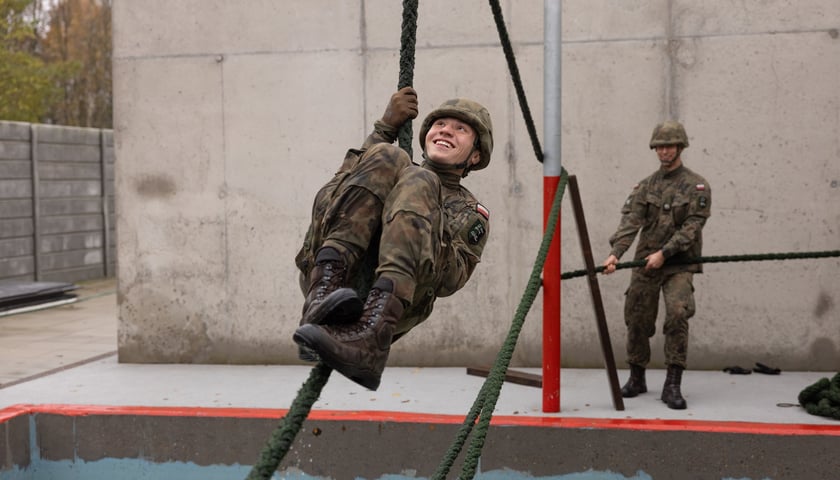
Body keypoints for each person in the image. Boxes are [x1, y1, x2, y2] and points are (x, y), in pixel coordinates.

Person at [292, 87, 493, 391]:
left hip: (391, 305)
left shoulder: (469, 211)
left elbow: (448, 281)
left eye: (461, 129)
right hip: (332, 279)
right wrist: (383, 130)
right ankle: (320, 300)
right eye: (440, 124)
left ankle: (370, 341)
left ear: (475, 155)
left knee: (420, 179)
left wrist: (422, 216)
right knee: (390, 155)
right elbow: (329, 199)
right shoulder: (391, 164)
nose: (447, 131)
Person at [601, 120, 711, 410]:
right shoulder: (646, 186)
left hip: (679, 264)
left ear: (680, 147)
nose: (664, 151)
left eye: (669, 146)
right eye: (659, 147)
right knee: (636, 318)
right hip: (645, 263)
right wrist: (616, 254)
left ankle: (672, 384)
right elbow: (630, 222)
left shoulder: (696, 186)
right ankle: (637, 377)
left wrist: (665, 252)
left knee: (677, 315)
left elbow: (692, 227)